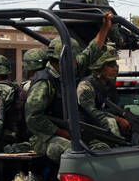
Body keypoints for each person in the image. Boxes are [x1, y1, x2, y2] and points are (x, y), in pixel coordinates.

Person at [25, 14, 112, 163]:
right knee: (74, 154)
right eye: (73, 59)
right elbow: (33, 118)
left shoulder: (69, 72)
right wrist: (60, 132)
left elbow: (91, 51)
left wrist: (105, 28)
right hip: (45, 137)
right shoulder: (44, 83)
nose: (76, 62)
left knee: (101, 149)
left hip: (69, 133)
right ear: (62, 60)